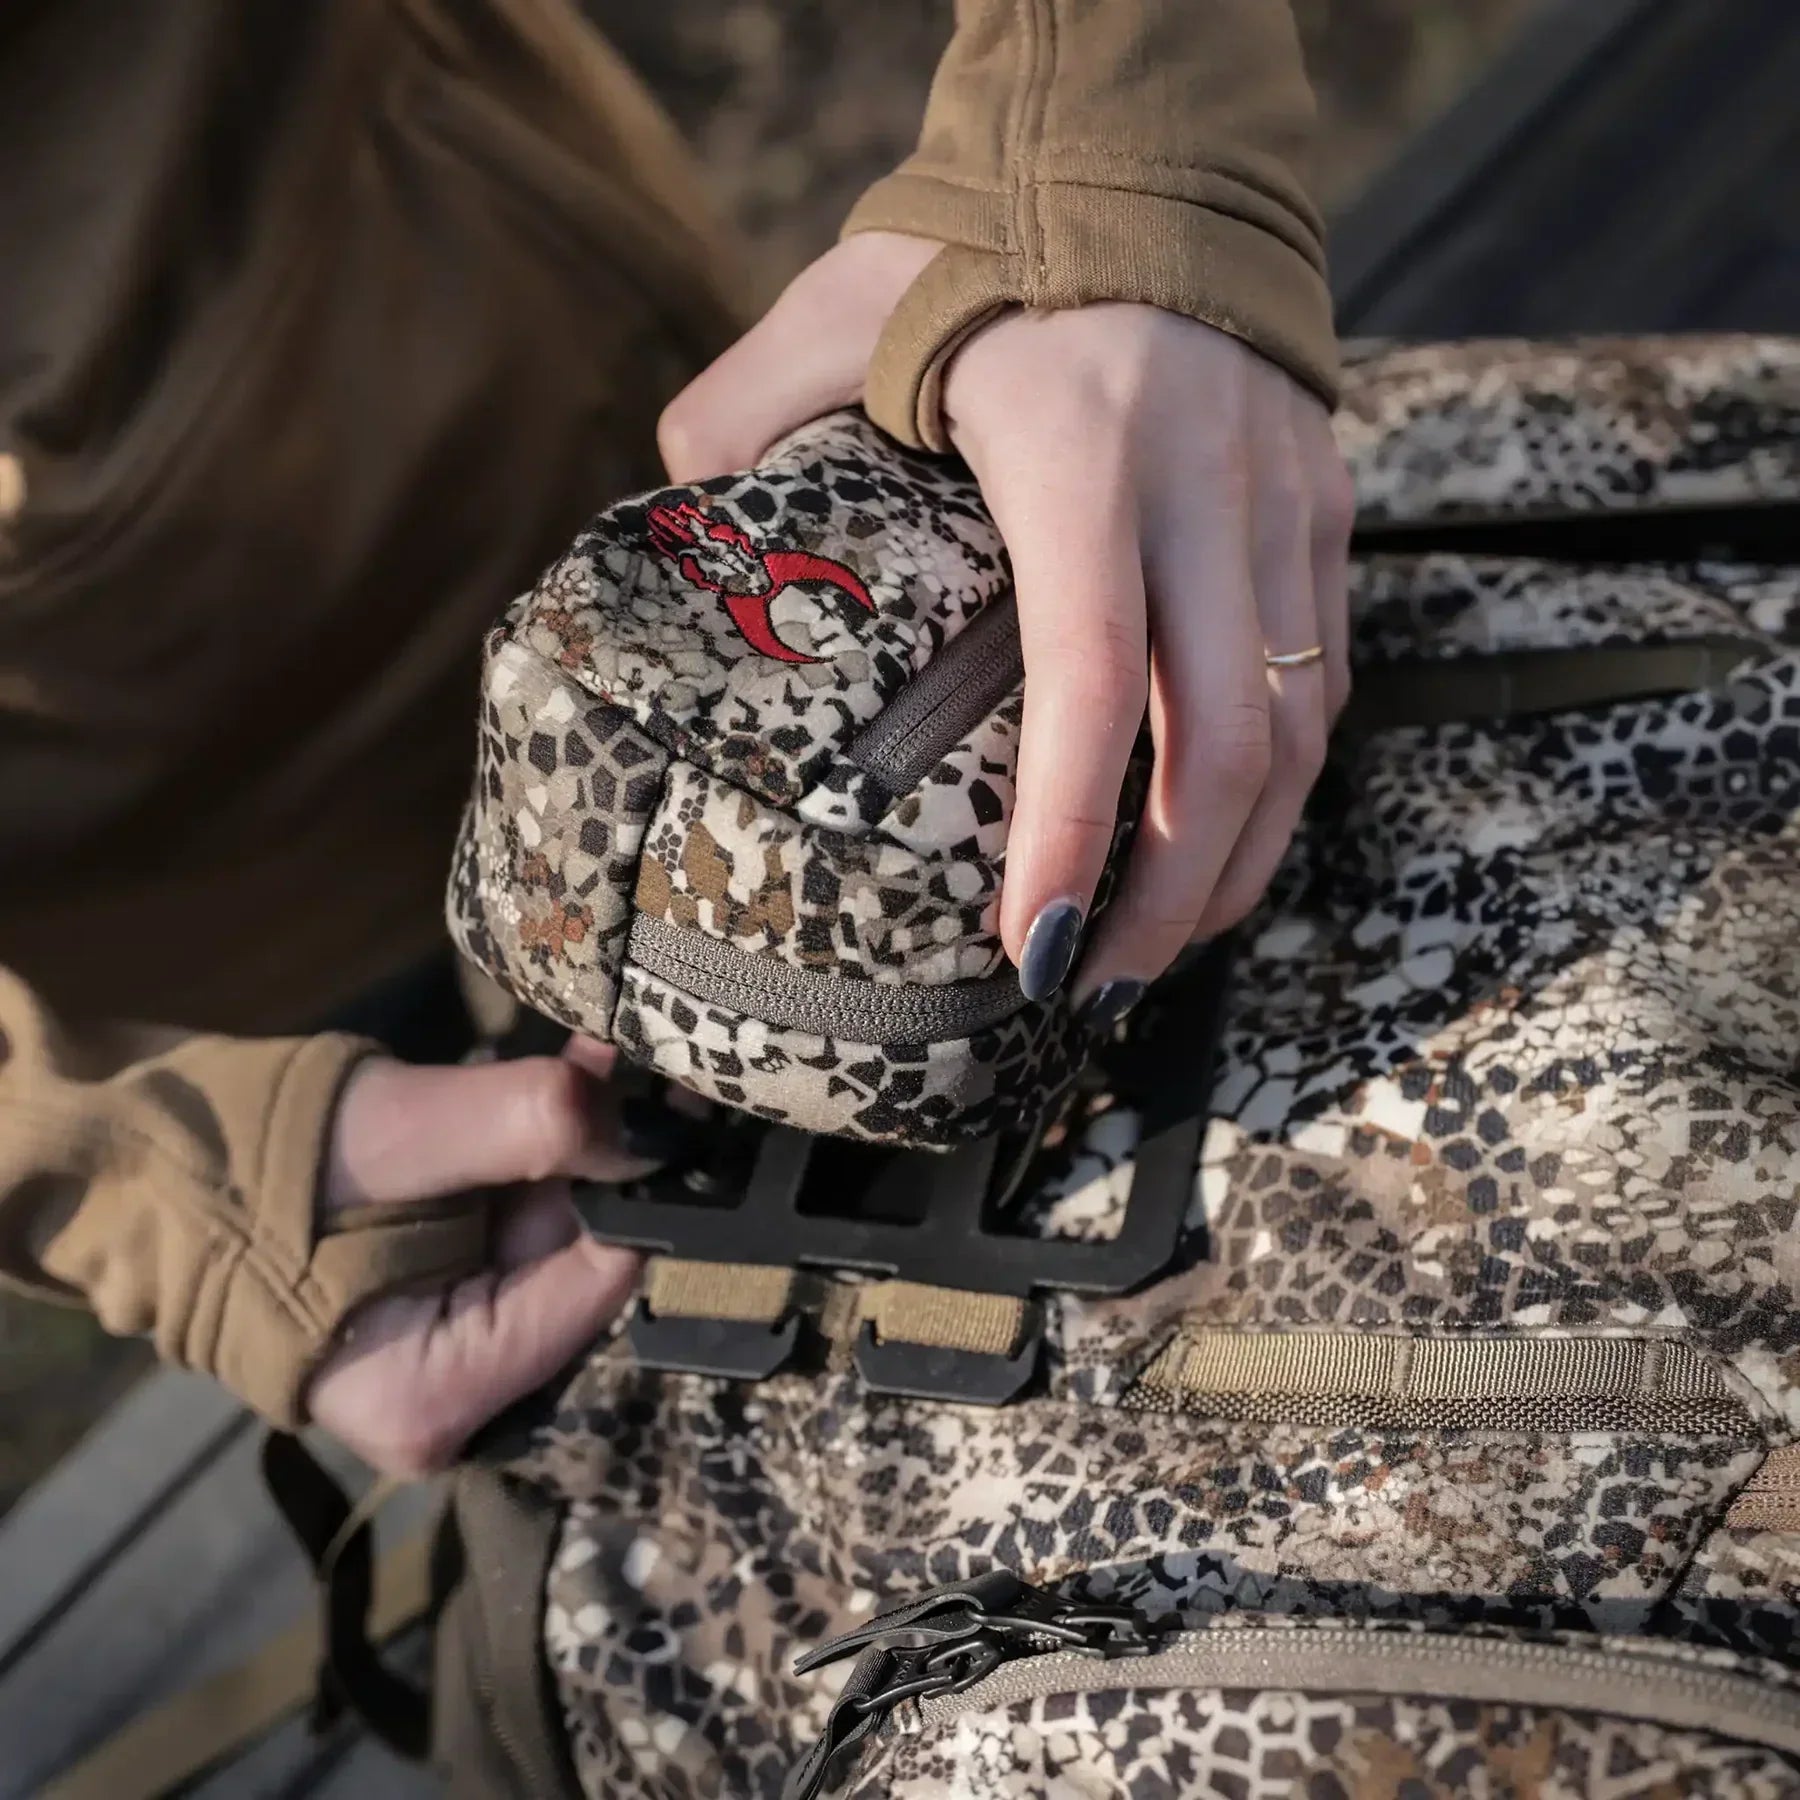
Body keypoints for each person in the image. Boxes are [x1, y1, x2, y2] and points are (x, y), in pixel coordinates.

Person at [0, 0, 1349, 1479]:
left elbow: (1087, 153)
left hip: (650, 432)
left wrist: (1092, 163)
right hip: (214, 909)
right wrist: (143, 1176)